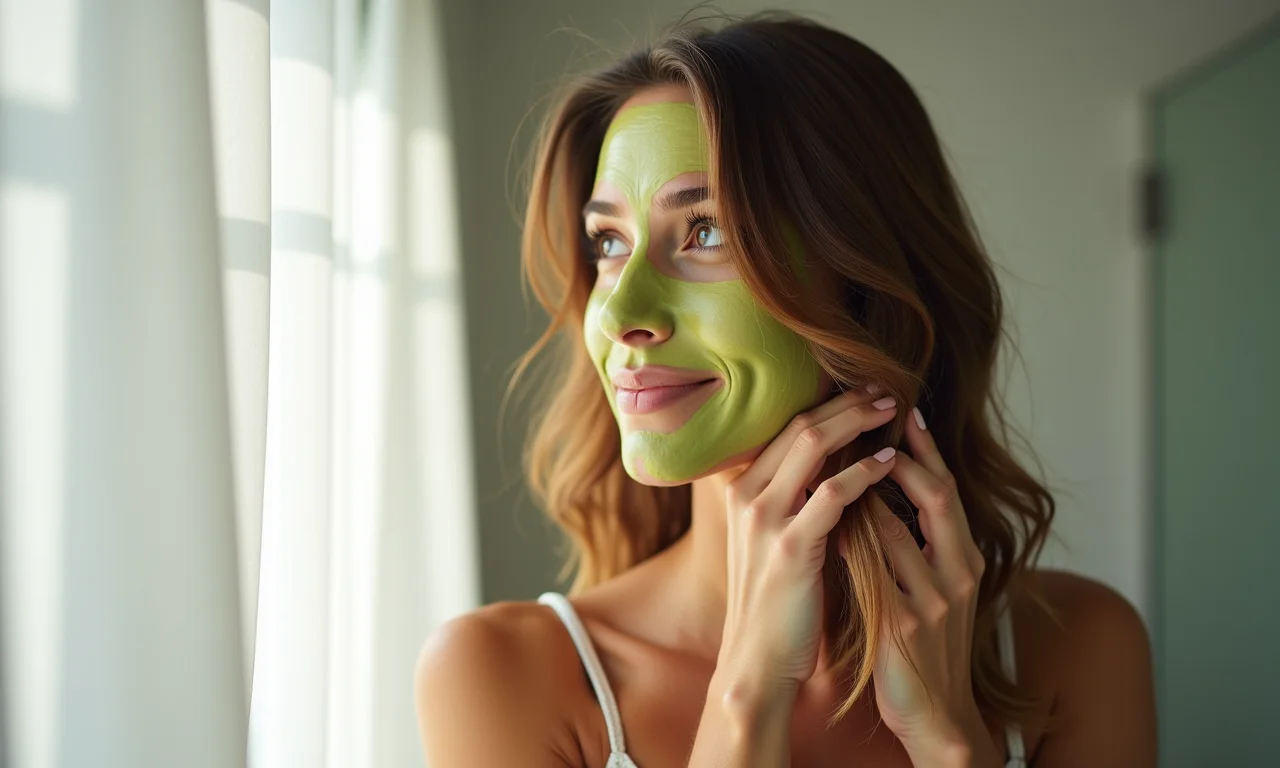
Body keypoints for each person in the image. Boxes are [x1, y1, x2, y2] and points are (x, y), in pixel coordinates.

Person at [415, 12, 1156, 767]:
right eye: (609, 242)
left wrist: (951, 743)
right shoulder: (506, 677)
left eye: (706, 230)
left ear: (866, 278)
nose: (620, 315)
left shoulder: (1080, 649)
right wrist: (748, 695)